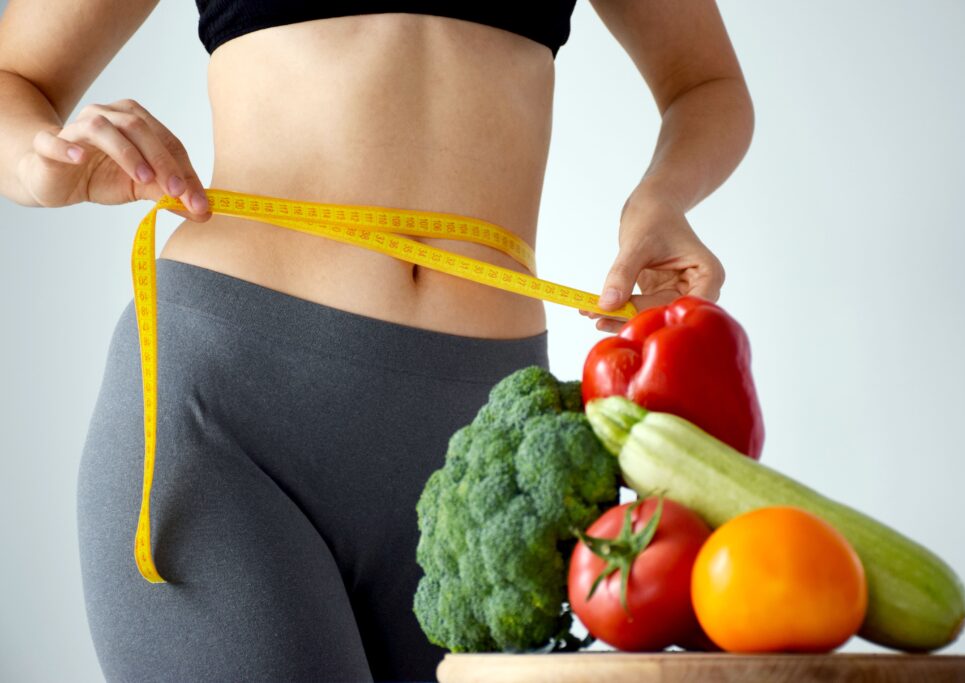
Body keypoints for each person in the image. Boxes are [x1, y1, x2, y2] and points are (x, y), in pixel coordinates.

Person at [0, 1, 753, 681]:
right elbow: (12, 77)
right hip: (229, 417)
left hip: (489, 444)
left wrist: (660, 200)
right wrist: (39, 160)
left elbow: (707, 85)